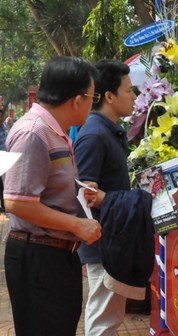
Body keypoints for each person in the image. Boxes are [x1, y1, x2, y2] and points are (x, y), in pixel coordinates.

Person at [3, 56, 102, 336]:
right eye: (92, 97)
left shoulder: (54, 132)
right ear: (77, 99)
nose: (91, 104)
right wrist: (77, 224)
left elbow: (43, 187)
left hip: (55, 255)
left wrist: (78, 189)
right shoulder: (34, 133)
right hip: (38, 256)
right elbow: (16, 201)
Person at [73, 59, 137, 335]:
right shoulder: (94, 136)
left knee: (109, 317)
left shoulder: (108, 131)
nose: (135, 97)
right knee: (103, 319)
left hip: (113, 240)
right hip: (103, 245)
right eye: (130, 91)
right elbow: (85, 195)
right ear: (109, 96)